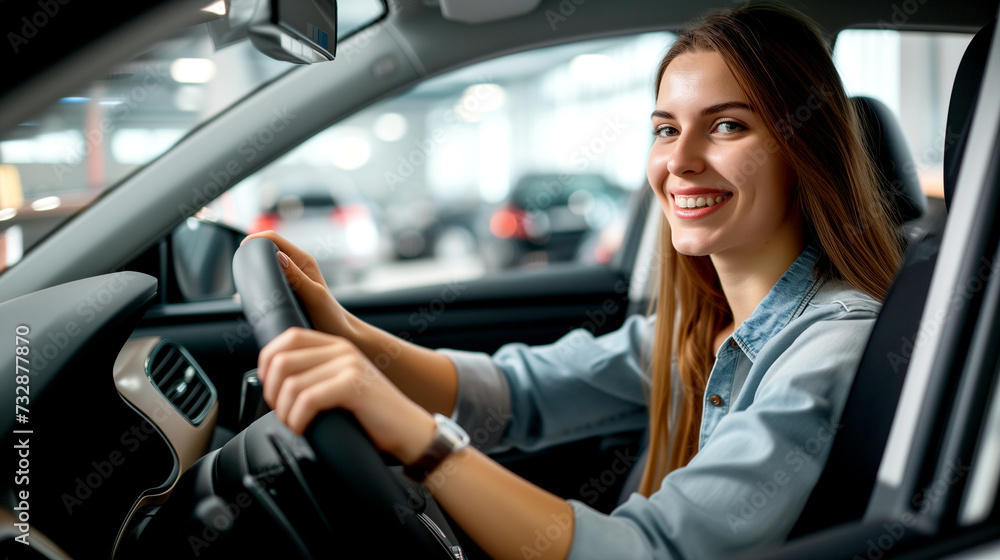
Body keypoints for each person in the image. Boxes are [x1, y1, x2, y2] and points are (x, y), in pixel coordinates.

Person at [243, 3, 904, 558]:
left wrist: (421, 440)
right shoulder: (697, 330)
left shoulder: (833, 348)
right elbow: (514, 395)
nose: (679, 159)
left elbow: (646, 555)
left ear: (803, 148)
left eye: (727, 125)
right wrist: (341, 326)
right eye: (665, 129)